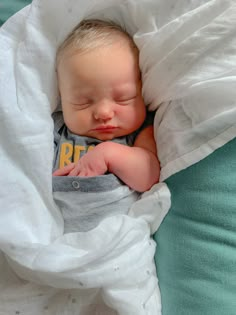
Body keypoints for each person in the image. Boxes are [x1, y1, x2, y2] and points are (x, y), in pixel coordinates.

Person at [52, 19, 162, 314]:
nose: (102, 112)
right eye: (82, 102)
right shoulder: (55, 132)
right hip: (55, 246)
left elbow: (149, 176)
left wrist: (109, 153)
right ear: (62, 100)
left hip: (115, 253)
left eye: (123, 98)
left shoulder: (139, 135)